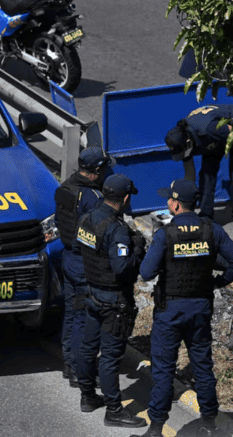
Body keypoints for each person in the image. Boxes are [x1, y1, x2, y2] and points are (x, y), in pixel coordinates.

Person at [136, 179, 233, 437]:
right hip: (200, 308)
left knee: (163, 370)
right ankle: (209, 426)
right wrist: (217, 282)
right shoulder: (212, 230)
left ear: (175, 204)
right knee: (202, 367)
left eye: (168, 199)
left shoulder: (165, 235)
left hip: (170, 311)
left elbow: (145, 273)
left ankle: (155, 430)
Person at [75, 174, 147, 429]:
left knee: (87, 347)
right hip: (114, 301)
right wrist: (137, 247)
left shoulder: (87, 218)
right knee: (110, 357)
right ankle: (114, 411)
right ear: (125, 199)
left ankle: (87, 396)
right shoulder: (117, 230)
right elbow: (123, 267)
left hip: (92, 293)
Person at [54, 147, 112, 387]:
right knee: (82, 317)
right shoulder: (92, 198)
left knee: (70, 313)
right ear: (97, 170)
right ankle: (80, 370)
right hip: (84, 262)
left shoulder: (66, 187)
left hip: (68, 256)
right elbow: (100, 232)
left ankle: (69, 363)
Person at [164, 104, 233, 231]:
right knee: (206, 176)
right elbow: (190, 176)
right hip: (212, 141)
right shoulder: (182, 139)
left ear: (188, 143)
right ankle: (206, 216)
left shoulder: (209, 129)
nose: (183, 156)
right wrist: (185, 199)